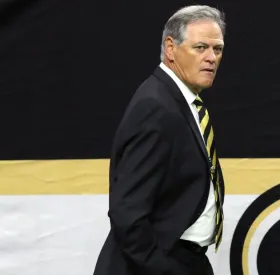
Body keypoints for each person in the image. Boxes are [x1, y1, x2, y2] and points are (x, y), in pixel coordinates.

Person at [93, 5, 226, 275]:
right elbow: (127, 215)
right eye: (200, 48)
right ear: (170, 48)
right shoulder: (156, 107)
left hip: (187, 259)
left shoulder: (179, 101)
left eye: (218, 49)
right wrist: (163, 269)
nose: (211, 58)